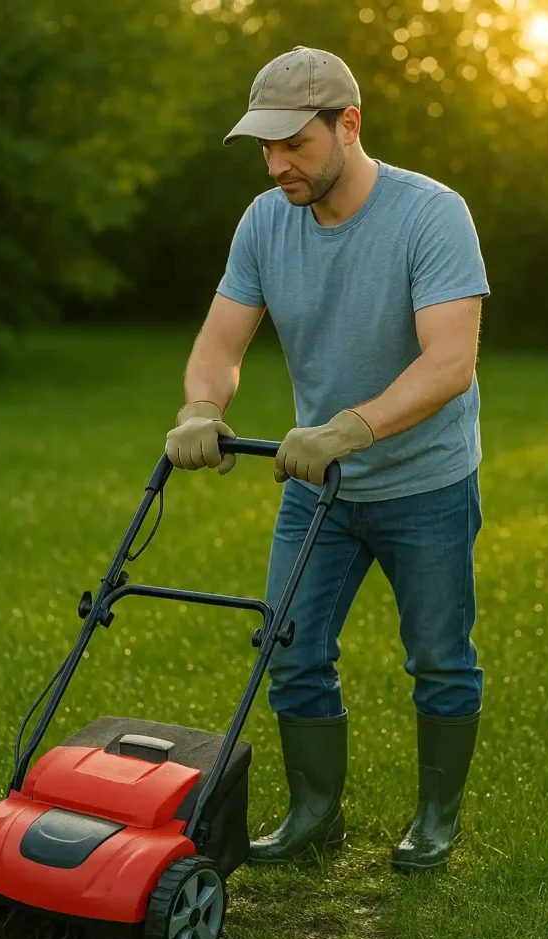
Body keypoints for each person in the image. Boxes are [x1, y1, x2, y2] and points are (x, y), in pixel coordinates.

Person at [165, 46, 489, 872]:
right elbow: (221, 340)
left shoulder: (430, 214)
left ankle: (435, 819)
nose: (277, 166)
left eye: (294, 145)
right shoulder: (265, 220)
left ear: (347, 125)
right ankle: (313, 813)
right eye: (265, 148)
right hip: (321, 488)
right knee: (289, 646)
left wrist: (349, 428)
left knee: (438, 659)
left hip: (425, 484)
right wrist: (204, 404)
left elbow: (450, 362)